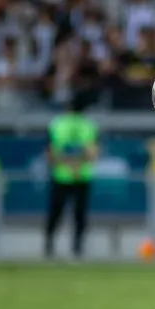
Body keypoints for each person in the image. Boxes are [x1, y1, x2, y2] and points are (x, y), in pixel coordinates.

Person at [44, 95, 98, 258]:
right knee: (79, 215)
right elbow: (92, 153)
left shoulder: (57, 124)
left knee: (55, 212)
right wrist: (77, 165)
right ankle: (77, 248)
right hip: (81, 175)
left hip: (61, 175)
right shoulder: (88, 125)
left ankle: (49, 245)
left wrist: (65, 163)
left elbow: (50, 153)